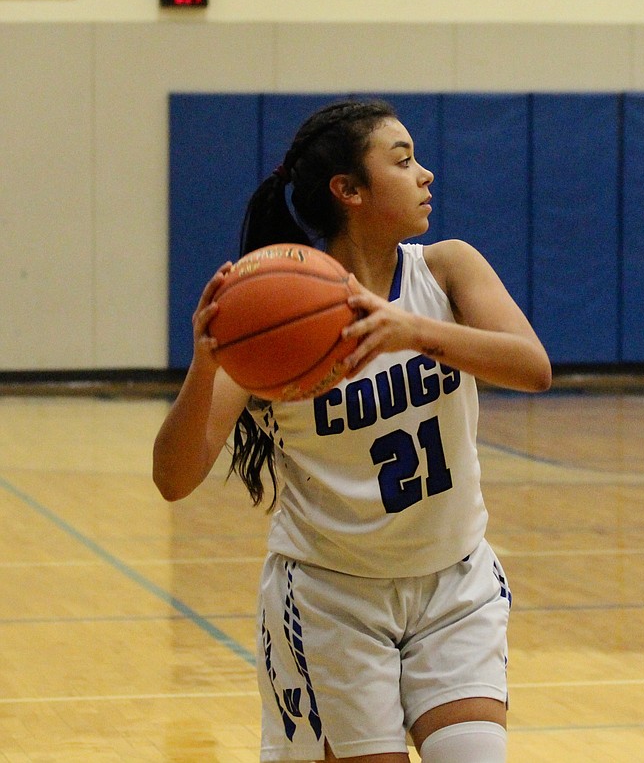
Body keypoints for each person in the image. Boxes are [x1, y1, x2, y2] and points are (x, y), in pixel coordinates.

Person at [153, 98, 552, 763]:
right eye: (402, 161)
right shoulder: (280, 315)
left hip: (453, 584)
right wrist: (205, 364)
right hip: (331, 599)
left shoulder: (447, 270)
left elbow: (532, 367)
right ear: (349, 191)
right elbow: (173, 476)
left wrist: (411, 330)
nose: (425, 174)